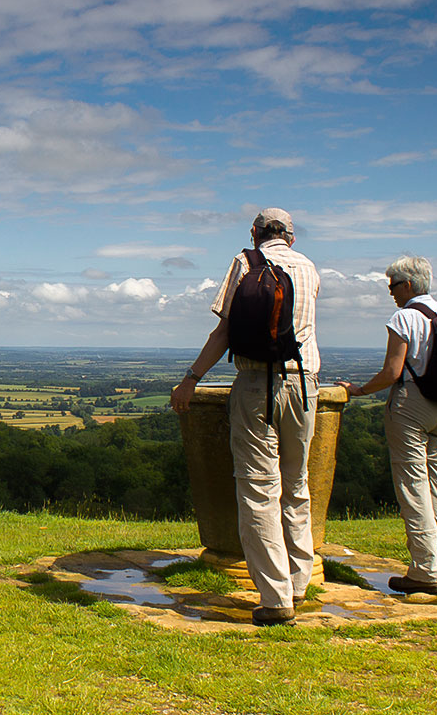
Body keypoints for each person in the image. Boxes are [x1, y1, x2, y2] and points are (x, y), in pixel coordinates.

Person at [170, 208, 320, 627]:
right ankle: (300, 581)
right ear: (290, 236)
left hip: (257, 384)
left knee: (258, 489)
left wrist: (191, 379)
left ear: (255, 233)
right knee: (297, 486)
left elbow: (224, 332)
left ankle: (275, 597)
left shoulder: (245, 262)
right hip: (305, 384)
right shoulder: (308, 267)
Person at [337, 255, 437, 595]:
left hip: (412, 405)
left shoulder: (404, 317)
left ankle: (424, 571)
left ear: (407, 285)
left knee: (413, 486)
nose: (390, 292)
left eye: (392, 286)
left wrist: (359, 390)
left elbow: (393, 372)